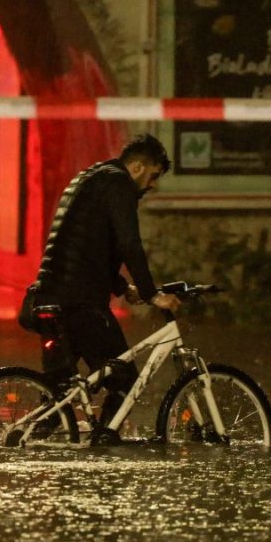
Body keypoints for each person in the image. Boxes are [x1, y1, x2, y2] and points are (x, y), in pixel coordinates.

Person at [20, 133, 181, 446]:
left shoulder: (90, 178)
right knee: (125, 382)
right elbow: (129, 244)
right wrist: (151, 294)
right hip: (80, 304)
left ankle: (27, 447)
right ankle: (102, 448)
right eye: (153, 176)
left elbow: (88, 246)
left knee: (60, 398)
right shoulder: (119, 185)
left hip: (49, 297)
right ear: (136, 167)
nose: (152, 185)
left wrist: (122, 287)